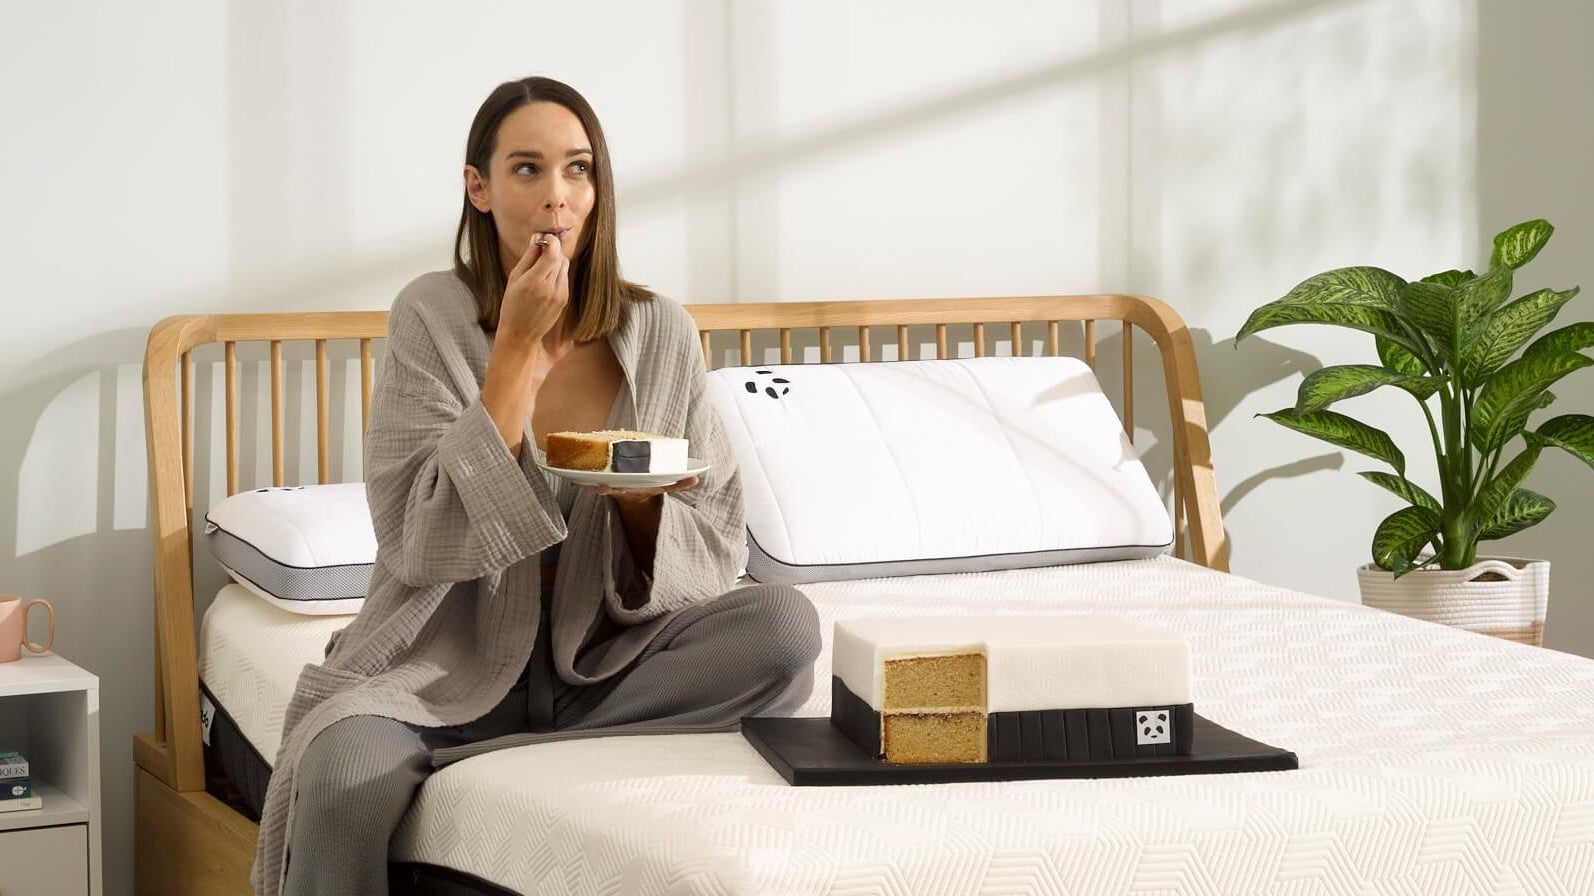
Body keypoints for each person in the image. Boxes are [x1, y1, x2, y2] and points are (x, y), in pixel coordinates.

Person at [250, 76, 822, 896]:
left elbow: (716, 537)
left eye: (578, 169)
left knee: (784, 626)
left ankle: (503, 756)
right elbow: (413, 536)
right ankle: (478, 744)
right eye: (527, 169)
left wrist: (642, 509)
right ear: (478, 188)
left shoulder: (661, 330)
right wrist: (515, 349)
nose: (558, 194)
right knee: (342, 777)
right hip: (440, 669)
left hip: (607, 667)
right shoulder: (430, 316)